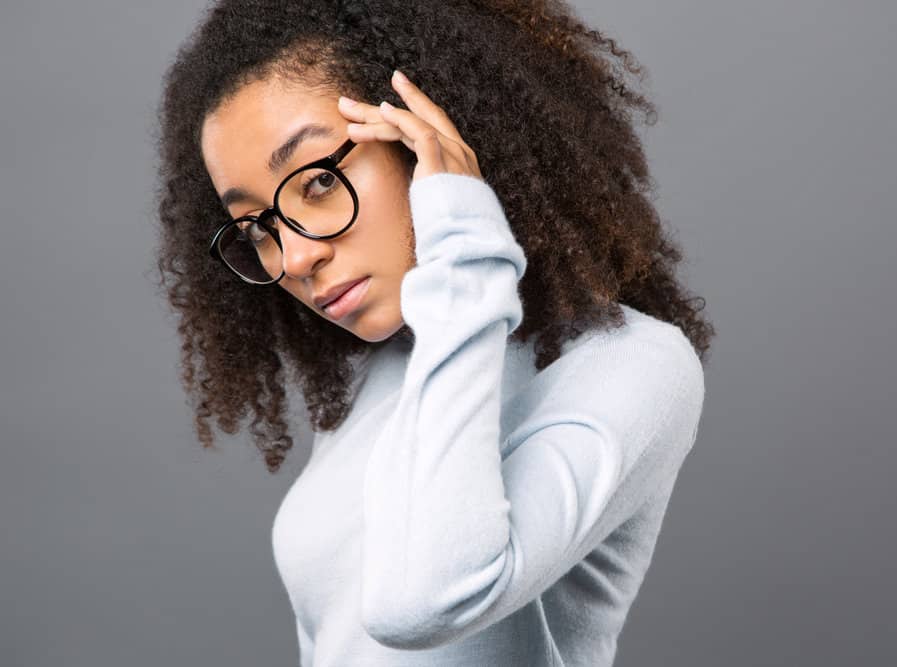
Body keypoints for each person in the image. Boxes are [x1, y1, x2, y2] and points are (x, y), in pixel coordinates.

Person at [153, 1, 716, 664]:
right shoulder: (381, 369)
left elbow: (422, 601)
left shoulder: (634, 366)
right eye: (257, 227)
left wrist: (467, 243)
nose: (297, 257)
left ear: (432, 135)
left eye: (320, 182)